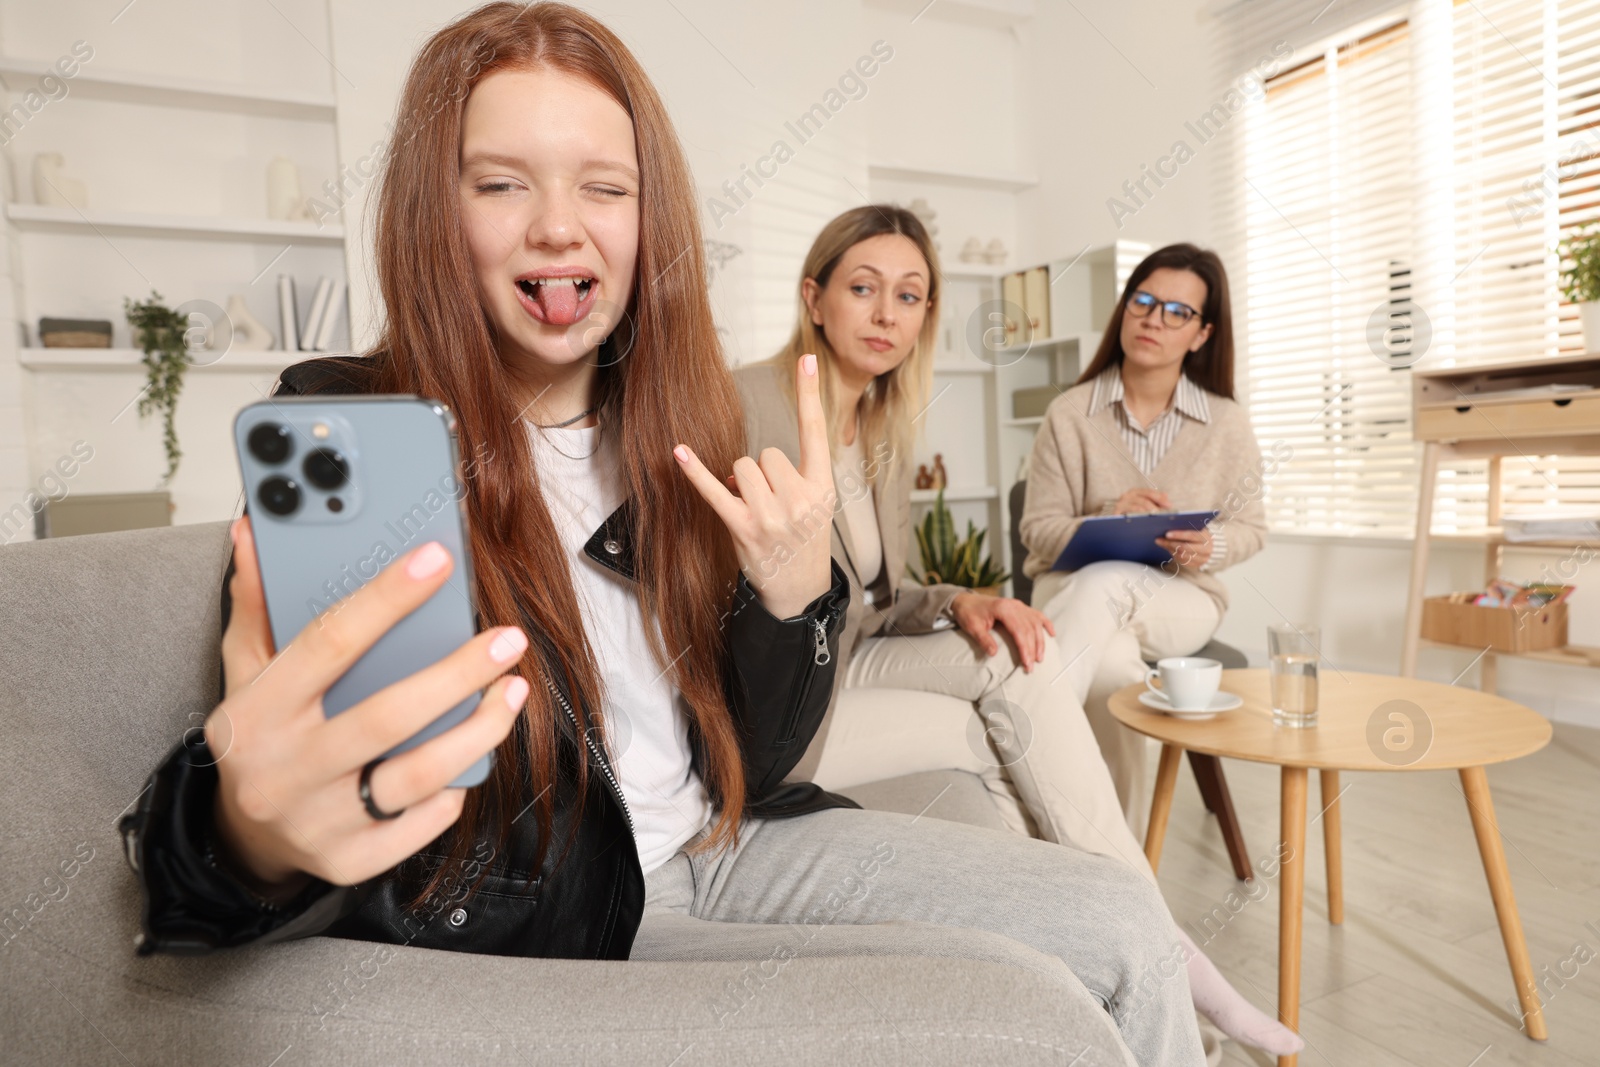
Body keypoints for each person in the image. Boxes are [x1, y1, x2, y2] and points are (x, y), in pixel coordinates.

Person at [116, 6, 1203, 1063]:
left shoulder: (680, 432)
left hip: (734, 840)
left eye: (605, 185)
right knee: (1042, 1012)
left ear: (649, 220)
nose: (558, 223)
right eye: (500, 183)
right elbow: (255, 819)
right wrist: (244, 832)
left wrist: (788, 595)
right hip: (578, 908)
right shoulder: (354, 427)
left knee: (1121, 922)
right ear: (433, 212)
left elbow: (762, 757)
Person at [739, 207, 1300, 1059]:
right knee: (1023, 706)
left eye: (910, 294)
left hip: (874, 650)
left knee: (1013, 669)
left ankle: (1095, 967)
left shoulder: (882, 425)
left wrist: (960, 595)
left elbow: (874, 597)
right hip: (785, 696)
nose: (888, 313)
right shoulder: (745, 403)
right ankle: (1170, 961)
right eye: (864, 288)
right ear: (814, 298)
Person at [1019, 244, 1270, 837]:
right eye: (1144, 301)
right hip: (1069, 591)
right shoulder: (1069, 413)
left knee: (1112, 584)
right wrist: (1111, 514)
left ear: (1202, 334)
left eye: (1177, 312)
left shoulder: (1225, 421)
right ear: (1127, 308)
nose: (1154, 319)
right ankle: (1118, 856)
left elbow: (1254, 527)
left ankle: (1028, 723)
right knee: (1108, 665)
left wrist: (1212, 548)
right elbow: (1037, 530)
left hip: (1181, 600)